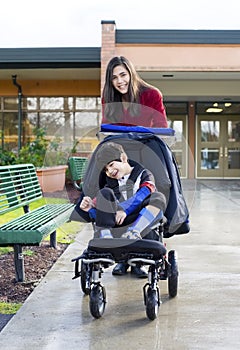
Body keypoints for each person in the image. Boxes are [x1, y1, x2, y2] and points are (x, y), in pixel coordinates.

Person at [75, 141, 166, 278]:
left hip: (142, 228)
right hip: (116, 230)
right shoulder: (109, 184)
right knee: (104, 194)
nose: (110, 171)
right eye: (106, 169)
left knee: (157, 197)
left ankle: (134, 241)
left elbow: (144, 193)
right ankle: (107, 239)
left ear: (123, 158)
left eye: (111, 165)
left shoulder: (145, 175)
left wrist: (124, 209)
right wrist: (91, 208)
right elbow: (103, 213)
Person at [101, 56, 168, 128]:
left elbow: (161, 128)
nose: (119, 81)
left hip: (144, 139)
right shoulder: (108, 98)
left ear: (131, 74)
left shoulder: (152, 95)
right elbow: (106, 129)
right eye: (114, 78)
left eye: (123, 75)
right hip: (117, 139)